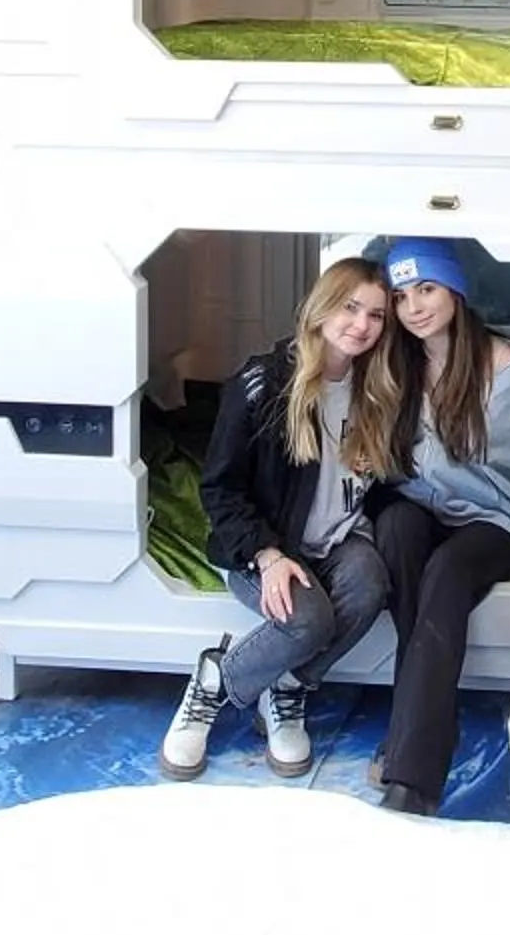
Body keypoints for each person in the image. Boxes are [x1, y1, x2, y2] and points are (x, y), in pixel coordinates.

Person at [162, 257, 405, 781]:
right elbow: (220, 488)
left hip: (339, 541)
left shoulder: (379, 390)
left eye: (377, 315)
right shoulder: (263, 383)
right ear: (321, 308)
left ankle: (285, 689)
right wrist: (266, 555)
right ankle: (212, 684)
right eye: (350, 307)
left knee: (369, 585)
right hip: (266, 544)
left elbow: (383, 486)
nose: (361, 325)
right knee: (308, 620)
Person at [366, 236, 510, 816]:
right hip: (419, 504)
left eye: (426, 289)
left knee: (448, 571)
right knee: (399, 536)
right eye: (402, 296)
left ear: (454, 288)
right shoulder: (393, 360)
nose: (414, 308)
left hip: (497, 515)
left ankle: (413, 778)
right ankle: (420, 723)